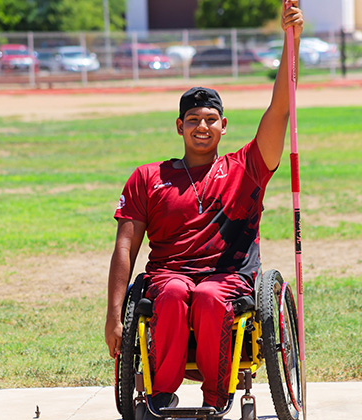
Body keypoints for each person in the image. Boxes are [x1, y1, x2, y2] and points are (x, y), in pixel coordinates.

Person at [105, 3, 303, 419]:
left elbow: (280, 109)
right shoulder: (147, 177)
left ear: (224, 125)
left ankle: (217, 396)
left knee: (211, 297)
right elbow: (125, 248)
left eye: (210, 119)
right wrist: (113, 316)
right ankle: (161, 394)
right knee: (176, 293)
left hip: (229, 278)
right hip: (169, 276)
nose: (201, 127)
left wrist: (291, 42)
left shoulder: (247, 167)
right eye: (192, 119)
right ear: (180, 126)